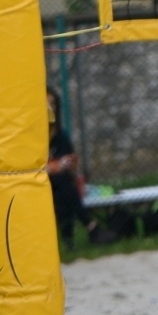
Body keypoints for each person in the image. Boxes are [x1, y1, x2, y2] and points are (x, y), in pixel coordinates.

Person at [45, 88, 108, 247]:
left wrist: (65, 164)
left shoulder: (60, 135)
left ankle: (69, 241)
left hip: (60, 183)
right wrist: (54, 167)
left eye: (52, 103)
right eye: (46, 103)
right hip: (42, 182)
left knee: (64, 187)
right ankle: (90, 227)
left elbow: (72, 161)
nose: (49, 107)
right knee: (63, 185)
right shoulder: (35, 136)